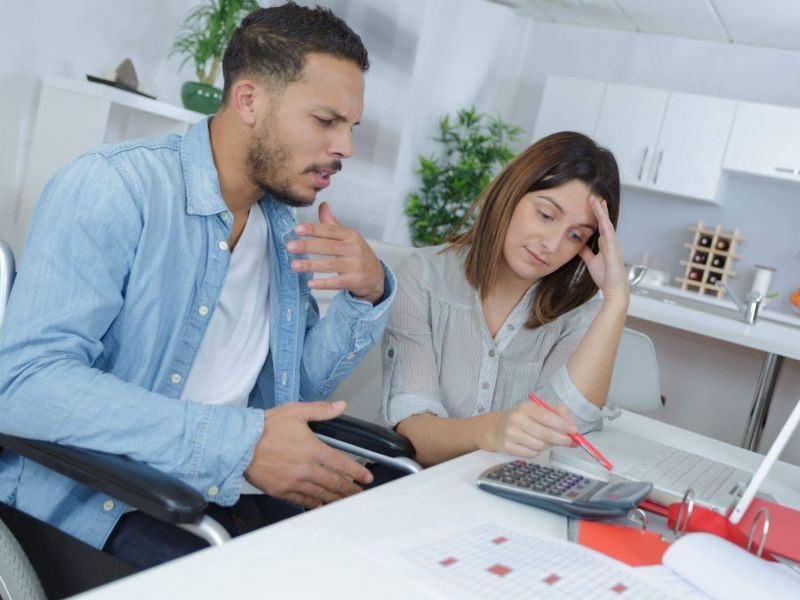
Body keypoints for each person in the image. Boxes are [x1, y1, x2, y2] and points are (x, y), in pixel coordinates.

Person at [0, 3, 395, 568]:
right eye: (325, 120)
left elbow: (290, 391)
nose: (345, 148)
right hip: (110, 503)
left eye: (350, 127)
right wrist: (237, 443)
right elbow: (23, 385)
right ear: (249, 100)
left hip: (234, 492)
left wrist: (366, 295)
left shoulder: (283, 228)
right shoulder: (115, 187)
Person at [381, 131, 625, 467]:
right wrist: (492, 429)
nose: (552, 245)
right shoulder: (421, 278)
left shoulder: (578, 314)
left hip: (507, 489)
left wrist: (615, 301)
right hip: (416, 486)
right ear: (512, 193)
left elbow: (567, 427)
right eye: (546, 215)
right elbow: (414, 436)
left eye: (575, 235)